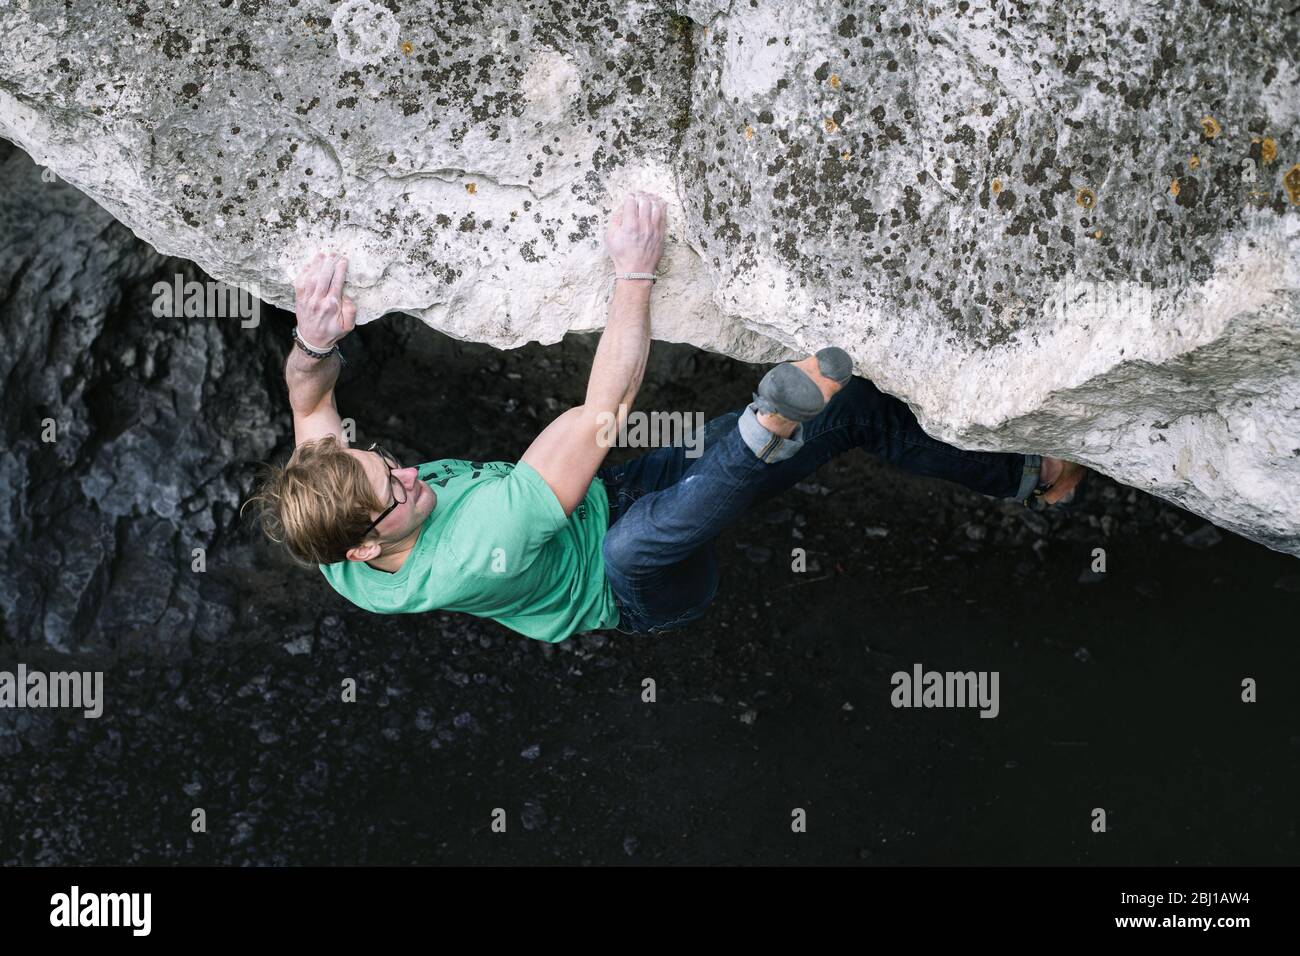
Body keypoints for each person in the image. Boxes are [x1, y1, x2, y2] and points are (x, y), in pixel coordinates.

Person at [248, 191, 1087, 641]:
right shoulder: (473, 548)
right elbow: (603, 411)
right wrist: (635, 273)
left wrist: (315, 338)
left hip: (611, 488)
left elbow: (311, 397)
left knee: (856, 409)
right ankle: (761, 428)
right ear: (366, 545)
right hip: (633, 592)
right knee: (636, 541)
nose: (405, 471)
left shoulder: (332, 508)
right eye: (393, 489)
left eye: (384, 458)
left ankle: (1027, 478)